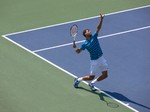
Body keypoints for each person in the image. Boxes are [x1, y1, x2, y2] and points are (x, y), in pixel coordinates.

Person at [74, 13, 108, 91]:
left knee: (105, 75)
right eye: (88, 31)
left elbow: (98, 28)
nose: (90, 31)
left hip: (101, 58)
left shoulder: (94, 36)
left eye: (89, 30)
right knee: (91, 76)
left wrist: (101, 19)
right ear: (85, 34)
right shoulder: (84, 44)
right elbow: (79, 52)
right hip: (94, 61)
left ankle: (92, 83)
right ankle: (79, 79)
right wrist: (76, 48)